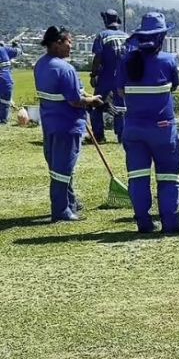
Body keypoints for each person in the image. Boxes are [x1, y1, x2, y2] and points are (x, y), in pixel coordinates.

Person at [116, 12, 179, 234]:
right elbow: (174, 86)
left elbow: (119, 91)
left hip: (133, 128)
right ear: (161, 37)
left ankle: (143, 222)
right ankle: (170, 221)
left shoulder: (127, 61)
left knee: (137, 176)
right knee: (168, 176)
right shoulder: (168, 61)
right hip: (163, 129)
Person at [34, 27, 103, 222]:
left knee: (58, 166)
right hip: (68, 124)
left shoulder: (40, 65)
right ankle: (62, 210)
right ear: (57, 43)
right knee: (63, 169)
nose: (71, 46)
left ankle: (70, 202)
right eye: (68, 42)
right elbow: (74, 100)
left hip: (49, 123)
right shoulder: (65, 69)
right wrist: (93, 101)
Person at [89, 9, 129, 142]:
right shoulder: (126, 36)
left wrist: (93, 74)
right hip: (123, 77)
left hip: (106, 75)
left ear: (106, 20)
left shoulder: (102, 36)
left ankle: (99, 136)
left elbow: (98, 57)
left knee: (97, 103)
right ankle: (122, 135)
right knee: (121, 106)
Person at [0, 39, 23, 124]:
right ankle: (3, 121)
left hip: (4, 82)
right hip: (4, 82)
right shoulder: (4, 49)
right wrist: (16, 45)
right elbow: (19, 51)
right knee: (5, 103)